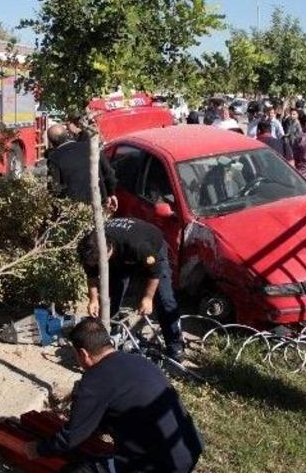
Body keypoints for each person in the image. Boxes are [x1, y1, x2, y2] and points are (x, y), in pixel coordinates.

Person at [27, 318, 204, 472]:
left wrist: (37, 449)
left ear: (83, 354)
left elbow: (70, 439)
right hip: (189, 447)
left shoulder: (93, 383)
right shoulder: (138, 361)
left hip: (160, 465)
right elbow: (115, 409)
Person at [77, 217, 184, 361]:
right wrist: (93, 299)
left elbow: (155, 271)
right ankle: (112, 334)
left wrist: (148, 298)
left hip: (152, 250)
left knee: (165, 298)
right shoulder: (89, 249)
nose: (95, 265)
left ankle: (175, 344)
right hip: (121, 255)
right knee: (111, 295)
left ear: (108, 251)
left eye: (98, 263)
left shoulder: (138, 245)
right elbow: (91, 276)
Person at [46, 124, 118, 211]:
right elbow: (109, 173)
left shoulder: (54, 158)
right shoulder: (90, 147)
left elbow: (54, 188)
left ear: (51, 142)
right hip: (99, 203)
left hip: (75, 211)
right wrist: (111, 193)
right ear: (67, 134)